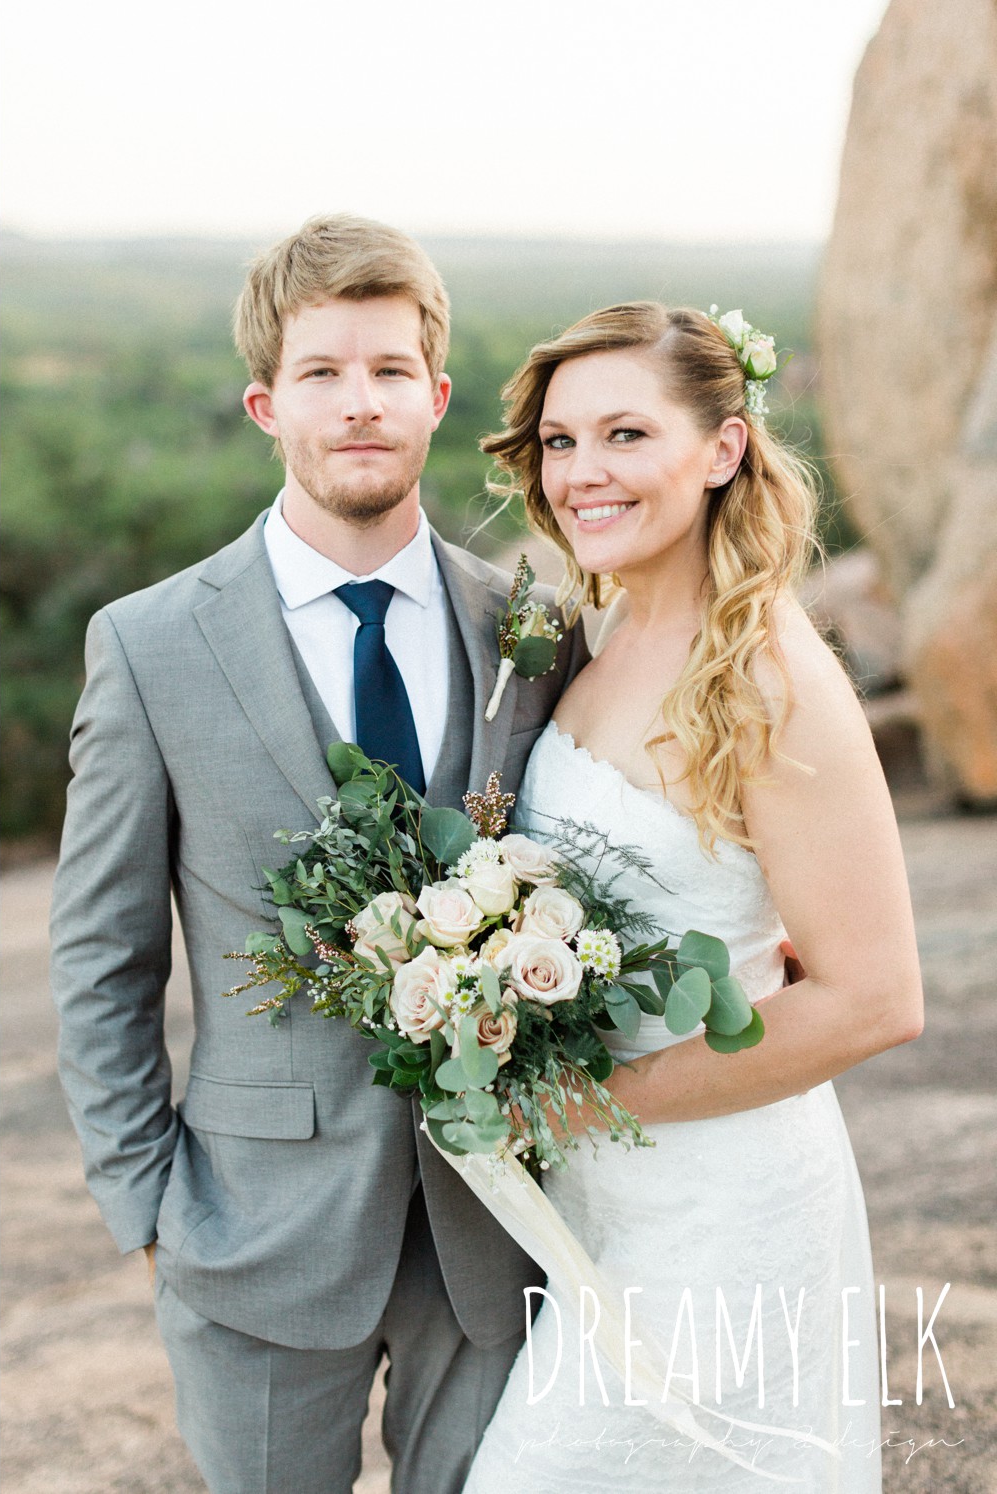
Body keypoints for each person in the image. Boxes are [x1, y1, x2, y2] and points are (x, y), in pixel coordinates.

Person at [49, 214, 587, 1492]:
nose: (359, 404)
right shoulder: (149, 646)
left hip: (493, 1224)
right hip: (253, 1224)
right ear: (262, 403)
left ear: (436, 397)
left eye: (390, 371)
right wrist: (147, 1210)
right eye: (322, 374)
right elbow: (98, 958)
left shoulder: (531, 628)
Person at [459, 302, 921, 1489]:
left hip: (723, 1214)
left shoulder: (767, 674)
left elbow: (871, 999)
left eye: (623, 434)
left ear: (718, 451)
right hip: (599, 1210)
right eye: (558, 443)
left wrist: (590, 1102)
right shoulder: (594, 636)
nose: (580, 473)